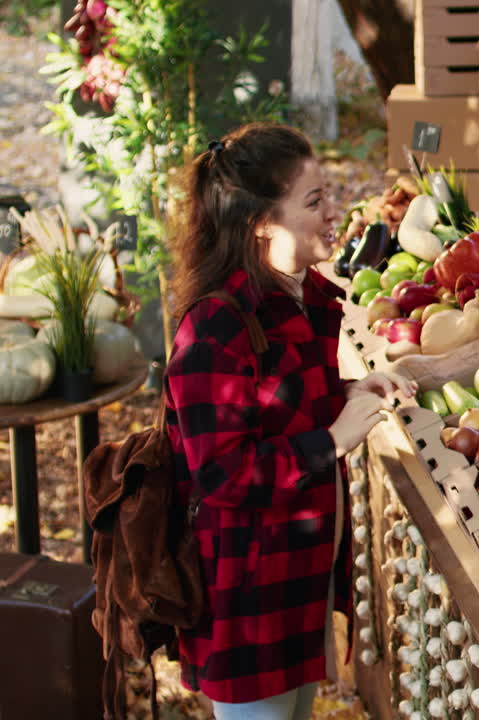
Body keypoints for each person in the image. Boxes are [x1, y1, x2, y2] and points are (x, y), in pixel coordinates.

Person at [164, 123, 416, 719]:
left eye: (329, 193)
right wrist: (332, 440)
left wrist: (353, 390)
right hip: (248, 603)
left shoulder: (299, 300)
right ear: (260, 223)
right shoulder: (214, 329)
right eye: (315, 201)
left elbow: (285, 409)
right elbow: (223, 475)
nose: (336, 212)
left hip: (296, 584)